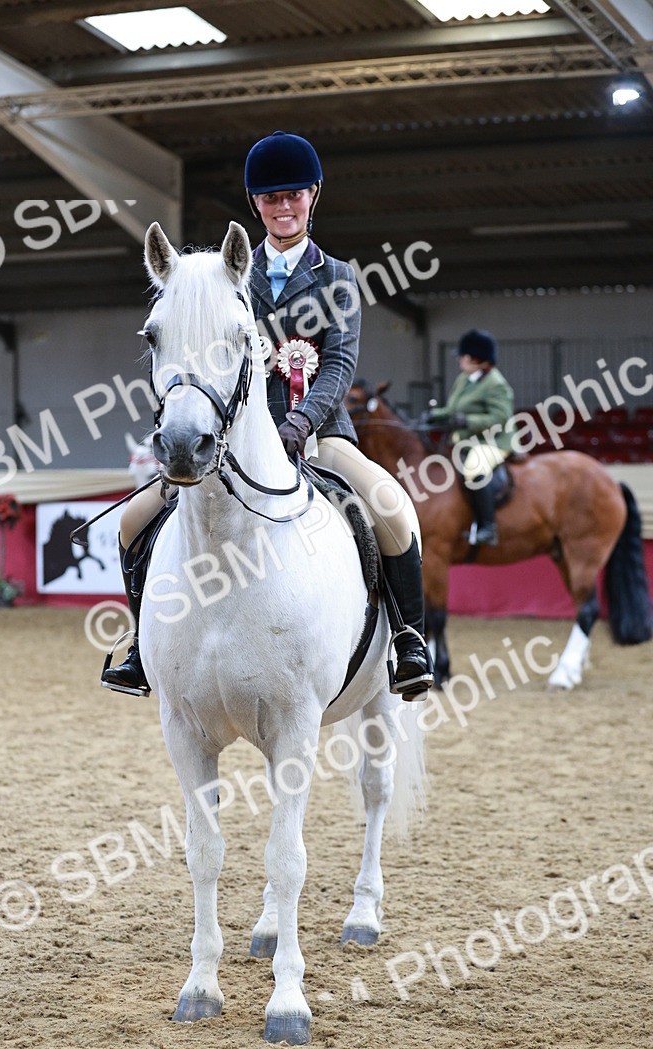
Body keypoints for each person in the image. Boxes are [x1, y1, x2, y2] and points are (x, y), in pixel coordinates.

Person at [103, 131, 432, 702]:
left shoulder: (337, 277)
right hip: (231, 437)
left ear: (313, 195)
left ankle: (408, 640)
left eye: (293, 195)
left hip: (318, 433)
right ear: (256, 204)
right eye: (271, 197)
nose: (284, 207)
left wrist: (300, 424)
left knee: (392, 508)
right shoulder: (229, 275)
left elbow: (339, 365)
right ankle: (141, 647)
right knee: (132, 522)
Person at [428, 330, 514, 545]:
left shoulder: (496, 384)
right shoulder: (464, 379)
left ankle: (488, 528)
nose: (459, 359)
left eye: (463, 356)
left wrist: (467, 421)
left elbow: (501, 417)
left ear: (476, 359)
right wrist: (434, 415)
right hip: (467, 440)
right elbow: (452, 409)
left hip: (493, 441)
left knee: (474, 469)